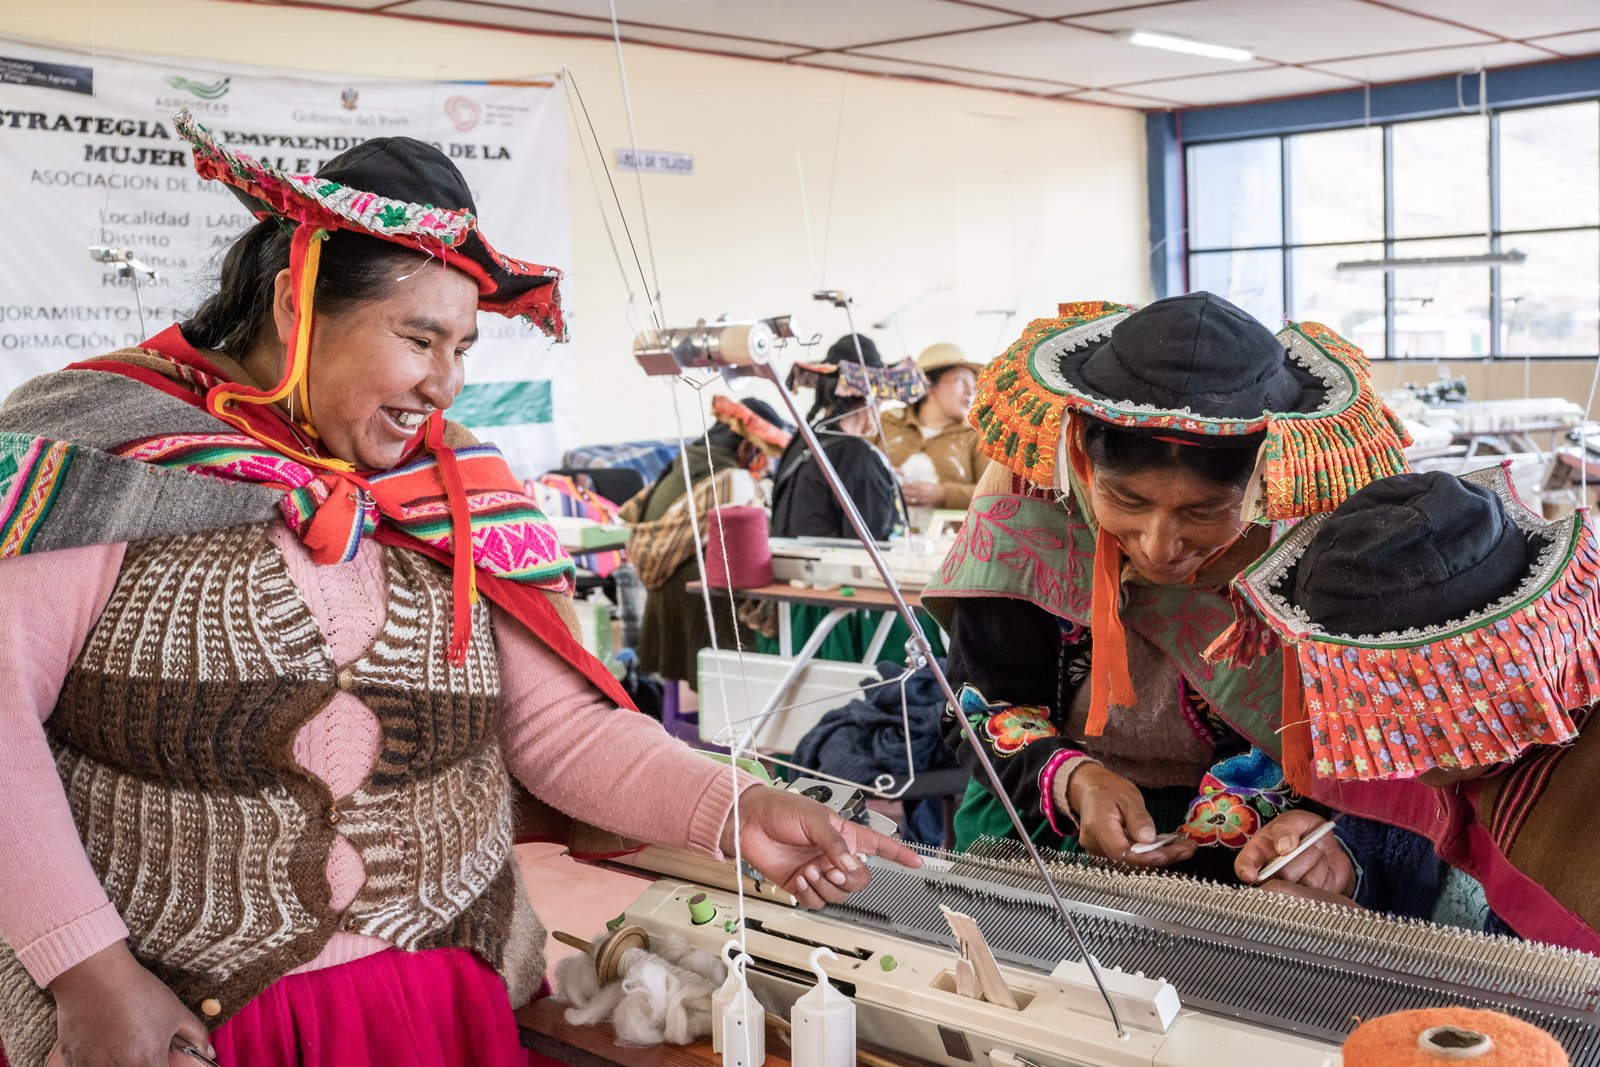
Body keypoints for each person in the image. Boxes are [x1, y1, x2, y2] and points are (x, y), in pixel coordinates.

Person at [0, 115, 917, 1067]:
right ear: (295, 303)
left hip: (437, 1009)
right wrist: (89, 971)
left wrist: (738, 807)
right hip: (178, 1019)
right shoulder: (101, 453)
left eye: (464, 347)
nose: (446, 384)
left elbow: (563, 732)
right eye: (418, 338)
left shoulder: (454, 495)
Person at [920, 295, 1412, 875]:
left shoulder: (1305, 539)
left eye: (1203, 513)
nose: (1158, 545)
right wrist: (1076, 781)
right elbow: (982, 701)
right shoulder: (1029, 504)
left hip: (1243, 839)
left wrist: (1217, 824)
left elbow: (1316, 728)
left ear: (1261, 488)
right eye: (1127, 501)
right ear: (1082, 461)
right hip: (1035, 810)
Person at [1223, 468, 1600, 952]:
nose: (1404, 751)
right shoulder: (1410, 753)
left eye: (1444, 712)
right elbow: (1412, 846)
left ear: (1523, 658)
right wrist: (1347, 862)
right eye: (1378, 718)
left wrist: (1387, 945)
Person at [624, 395, 791, 690]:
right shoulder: (731, 479)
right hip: (696, 605)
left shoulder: (684, 463)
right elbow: (753, 546)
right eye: (764, 454)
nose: (765, 465)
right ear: (747, 446)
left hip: (662, 604)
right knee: (771, 609)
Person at [770, 333, 907, 542]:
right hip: (834, 574)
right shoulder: (858, 456)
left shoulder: (802, 442)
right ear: (871, 396)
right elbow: (878, 544)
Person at [880, 342, 988, 521]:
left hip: (951, 545)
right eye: (960, 381)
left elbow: (993, 494)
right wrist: (881, 475)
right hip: (885, 541)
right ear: (928, 384)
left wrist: (944, 495)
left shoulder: (976, 436)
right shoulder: (886, 423)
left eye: (974, 386)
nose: (971, 392)